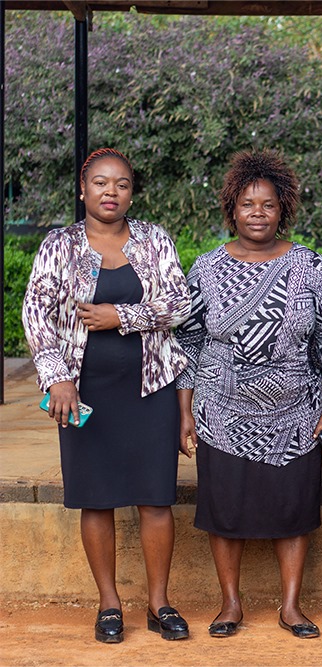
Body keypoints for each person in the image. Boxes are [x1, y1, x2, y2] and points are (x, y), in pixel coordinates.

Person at [22, 147, 192, 644]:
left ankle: (159, 603)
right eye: (100, 183)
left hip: (151, 388)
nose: (110, 192)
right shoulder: (59, 246)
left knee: (155, 498)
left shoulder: (155, 240)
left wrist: (122, 317)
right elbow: (36, 313)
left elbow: (180, 304)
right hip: (83, 394)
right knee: (95, 500)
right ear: (83, 189)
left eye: (120, 184)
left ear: (131, 192)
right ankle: (110, 604)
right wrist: (57, 378)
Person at [175, 149, 322, 640]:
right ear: (232, 209)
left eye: (267, 205)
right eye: (248, 204)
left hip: (295, 413)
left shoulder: (310, 265)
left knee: (293, 511)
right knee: (224, 511)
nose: (257, 213)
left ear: (282, 210)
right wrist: (184, 413)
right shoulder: (205, 268)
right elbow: (187, 342)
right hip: (220, 414)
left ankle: (291, 606)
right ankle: (230, 604)